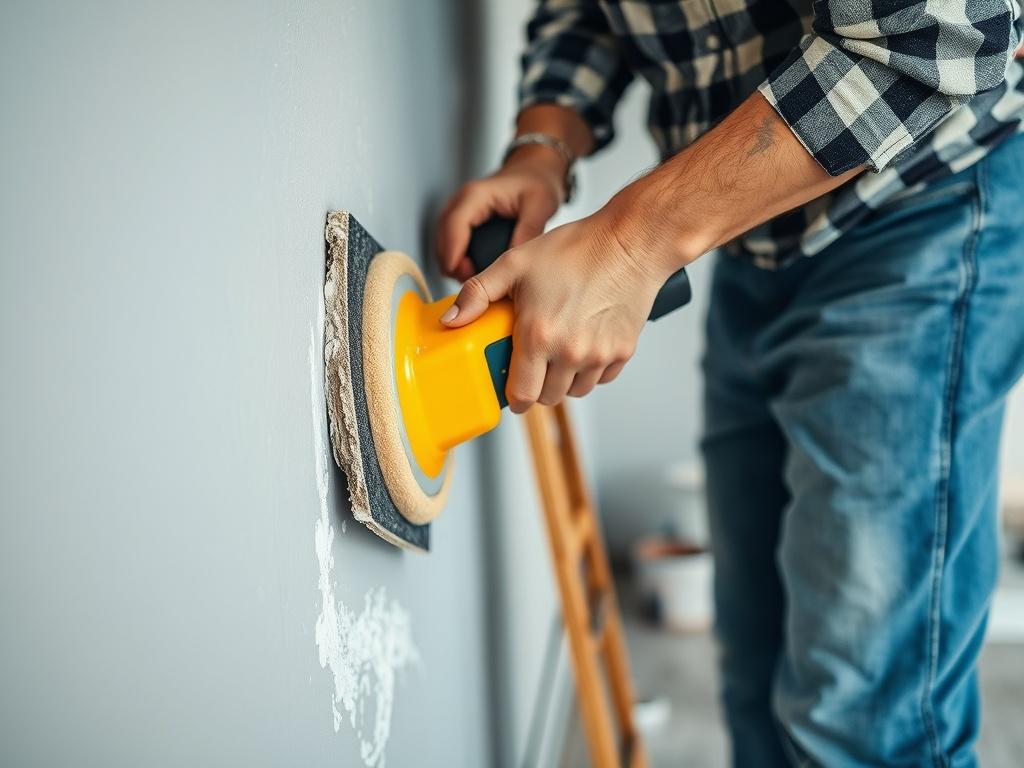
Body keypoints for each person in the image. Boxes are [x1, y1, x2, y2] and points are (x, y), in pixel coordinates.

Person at [436, 1, 1024, 765]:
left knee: (861, 721)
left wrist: (630, 241)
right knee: (755, 673)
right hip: (754, 240)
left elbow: (940, 31)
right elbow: (586, 10)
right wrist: (542, 149)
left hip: (920, 214)